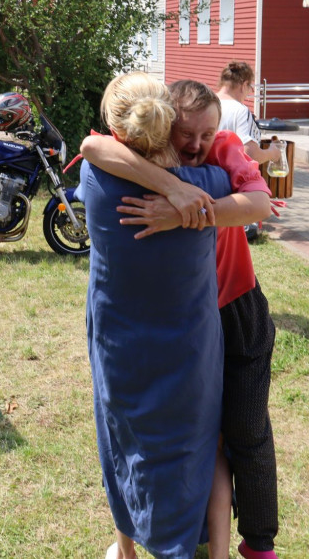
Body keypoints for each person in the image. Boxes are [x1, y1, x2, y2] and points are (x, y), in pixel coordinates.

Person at [82, 80, 281, 559]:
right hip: (191, 316)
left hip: (234, 305)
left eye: (206, 135)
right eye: (185, 134)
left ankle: (258, 544)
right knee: (204, 435)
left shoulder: (225, 151)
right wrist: (174, 189)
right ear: (163, 126)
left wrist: (185, 211)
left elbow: (260, 205)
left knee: (246, 432)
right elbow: (93, 145)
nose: (196, 145)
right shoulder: (146, 163)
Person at [215, 61, 281, 167]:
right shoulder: (240, 110)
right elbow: (250, 154)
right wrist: (272, 153)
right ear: (244, 85)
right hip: (226, 178)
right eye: (250, 87)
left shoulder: (205, 102)